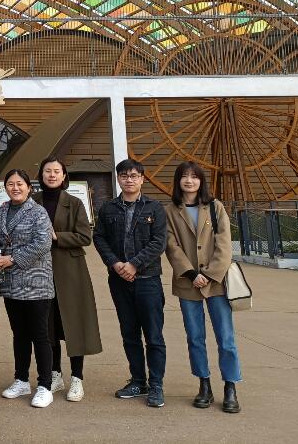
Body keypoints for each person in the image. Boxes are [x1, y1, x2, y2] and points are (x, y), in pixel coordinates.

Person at [165, 161, 242, 413]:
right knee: (195, 337)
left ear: (201, 181)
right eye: (184, 176)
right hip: (187, 283)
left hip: (216, 283)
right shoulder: (170, 211)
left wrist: (208, 274)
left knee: (226, 337)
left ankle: (230, 386)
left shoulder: (215, 207)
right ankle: (204, 384)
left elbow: (224, 245)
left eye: (194, 176)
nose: (189, 181)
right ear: (178, 181)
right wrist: (191, 274)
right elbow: (171, 246)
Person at [93, 158, 168, 408]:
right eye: (124, 175)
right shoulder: (108, 209)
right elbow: (99, 238)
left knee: (153, 335)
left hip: (148, 280)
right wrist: (115, 263)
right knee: (129, 334)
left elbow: (159, 241)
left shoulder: (155, 208)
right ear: (118, 179)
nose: (129, 180)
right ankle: (138, 381)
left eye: (134, 176)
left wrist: (134, 264)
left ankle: (156, 384)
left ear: (142, 179)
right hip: (119, 281)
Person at [33, 157, 102, 402]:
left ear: (64, 176)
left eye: (56, 171)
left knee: (73, 325)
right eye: (47, 171)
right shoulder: (34, 201)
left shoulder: (74, 203)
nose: (52, 175)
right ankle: (55, 374)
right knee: (48, 325)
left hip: (71, 271)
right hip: (40, 270)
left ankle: (77, 378)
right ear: (41, 175)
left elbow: (85, 236)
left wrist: (56, 237)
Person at [0, 169, 56, 409]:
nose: (15, 188)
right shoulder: (2, 210)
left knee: (40, 335)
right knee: (19, 334)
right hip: (11, 283)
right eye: (10, 184)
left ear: (29, 188)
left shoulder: (38, 212)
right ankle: (21, 380)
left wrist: (12, 259)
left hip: (36, 283)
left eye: (20, 184)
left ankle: (45, 385)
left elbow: (43, 243)